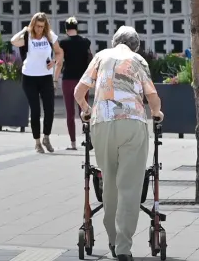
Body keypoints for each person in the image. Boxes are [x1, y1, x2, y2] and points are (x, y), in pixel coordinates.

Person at [74, 26, 163, 261]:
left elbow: (79, 91)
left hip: (101, 123)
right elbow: (151, 95)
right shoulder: (138, 60)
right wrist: (157, 112)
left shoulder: (100, 56)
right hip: (132, 124)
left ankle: (112, 240)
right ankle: (123, 248)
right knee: (130, 187)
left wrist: (86, 110)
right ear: (135, 45)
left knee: (110, 184)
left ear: (115, 42)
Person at [11, 11, 65, 153]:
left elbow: (59, 52)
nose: (39, 29)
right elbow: (13, 41)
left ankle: (46, 137)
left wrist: (54, 61)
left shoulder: (49, 36)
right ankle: (37, 142)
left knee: (49, 109)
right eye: (37, 26)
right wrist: (24, 30)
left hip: (46, 77)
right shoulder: (28, 36)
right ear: (33, 25)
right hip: (29, 77)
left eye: (42, 26)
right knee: (35, 110)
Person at [59, 17, 94, 151]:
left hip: (68, 79)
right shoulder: (85, 42)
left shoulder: (63, 43)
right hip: (82, 80)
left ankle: (73, 143)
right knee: (84, 109)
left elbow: (60, 61)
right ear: (77, 27)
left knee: (70, 112)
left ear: (66, 29)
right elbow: (90, 58)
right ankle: (88, 139)